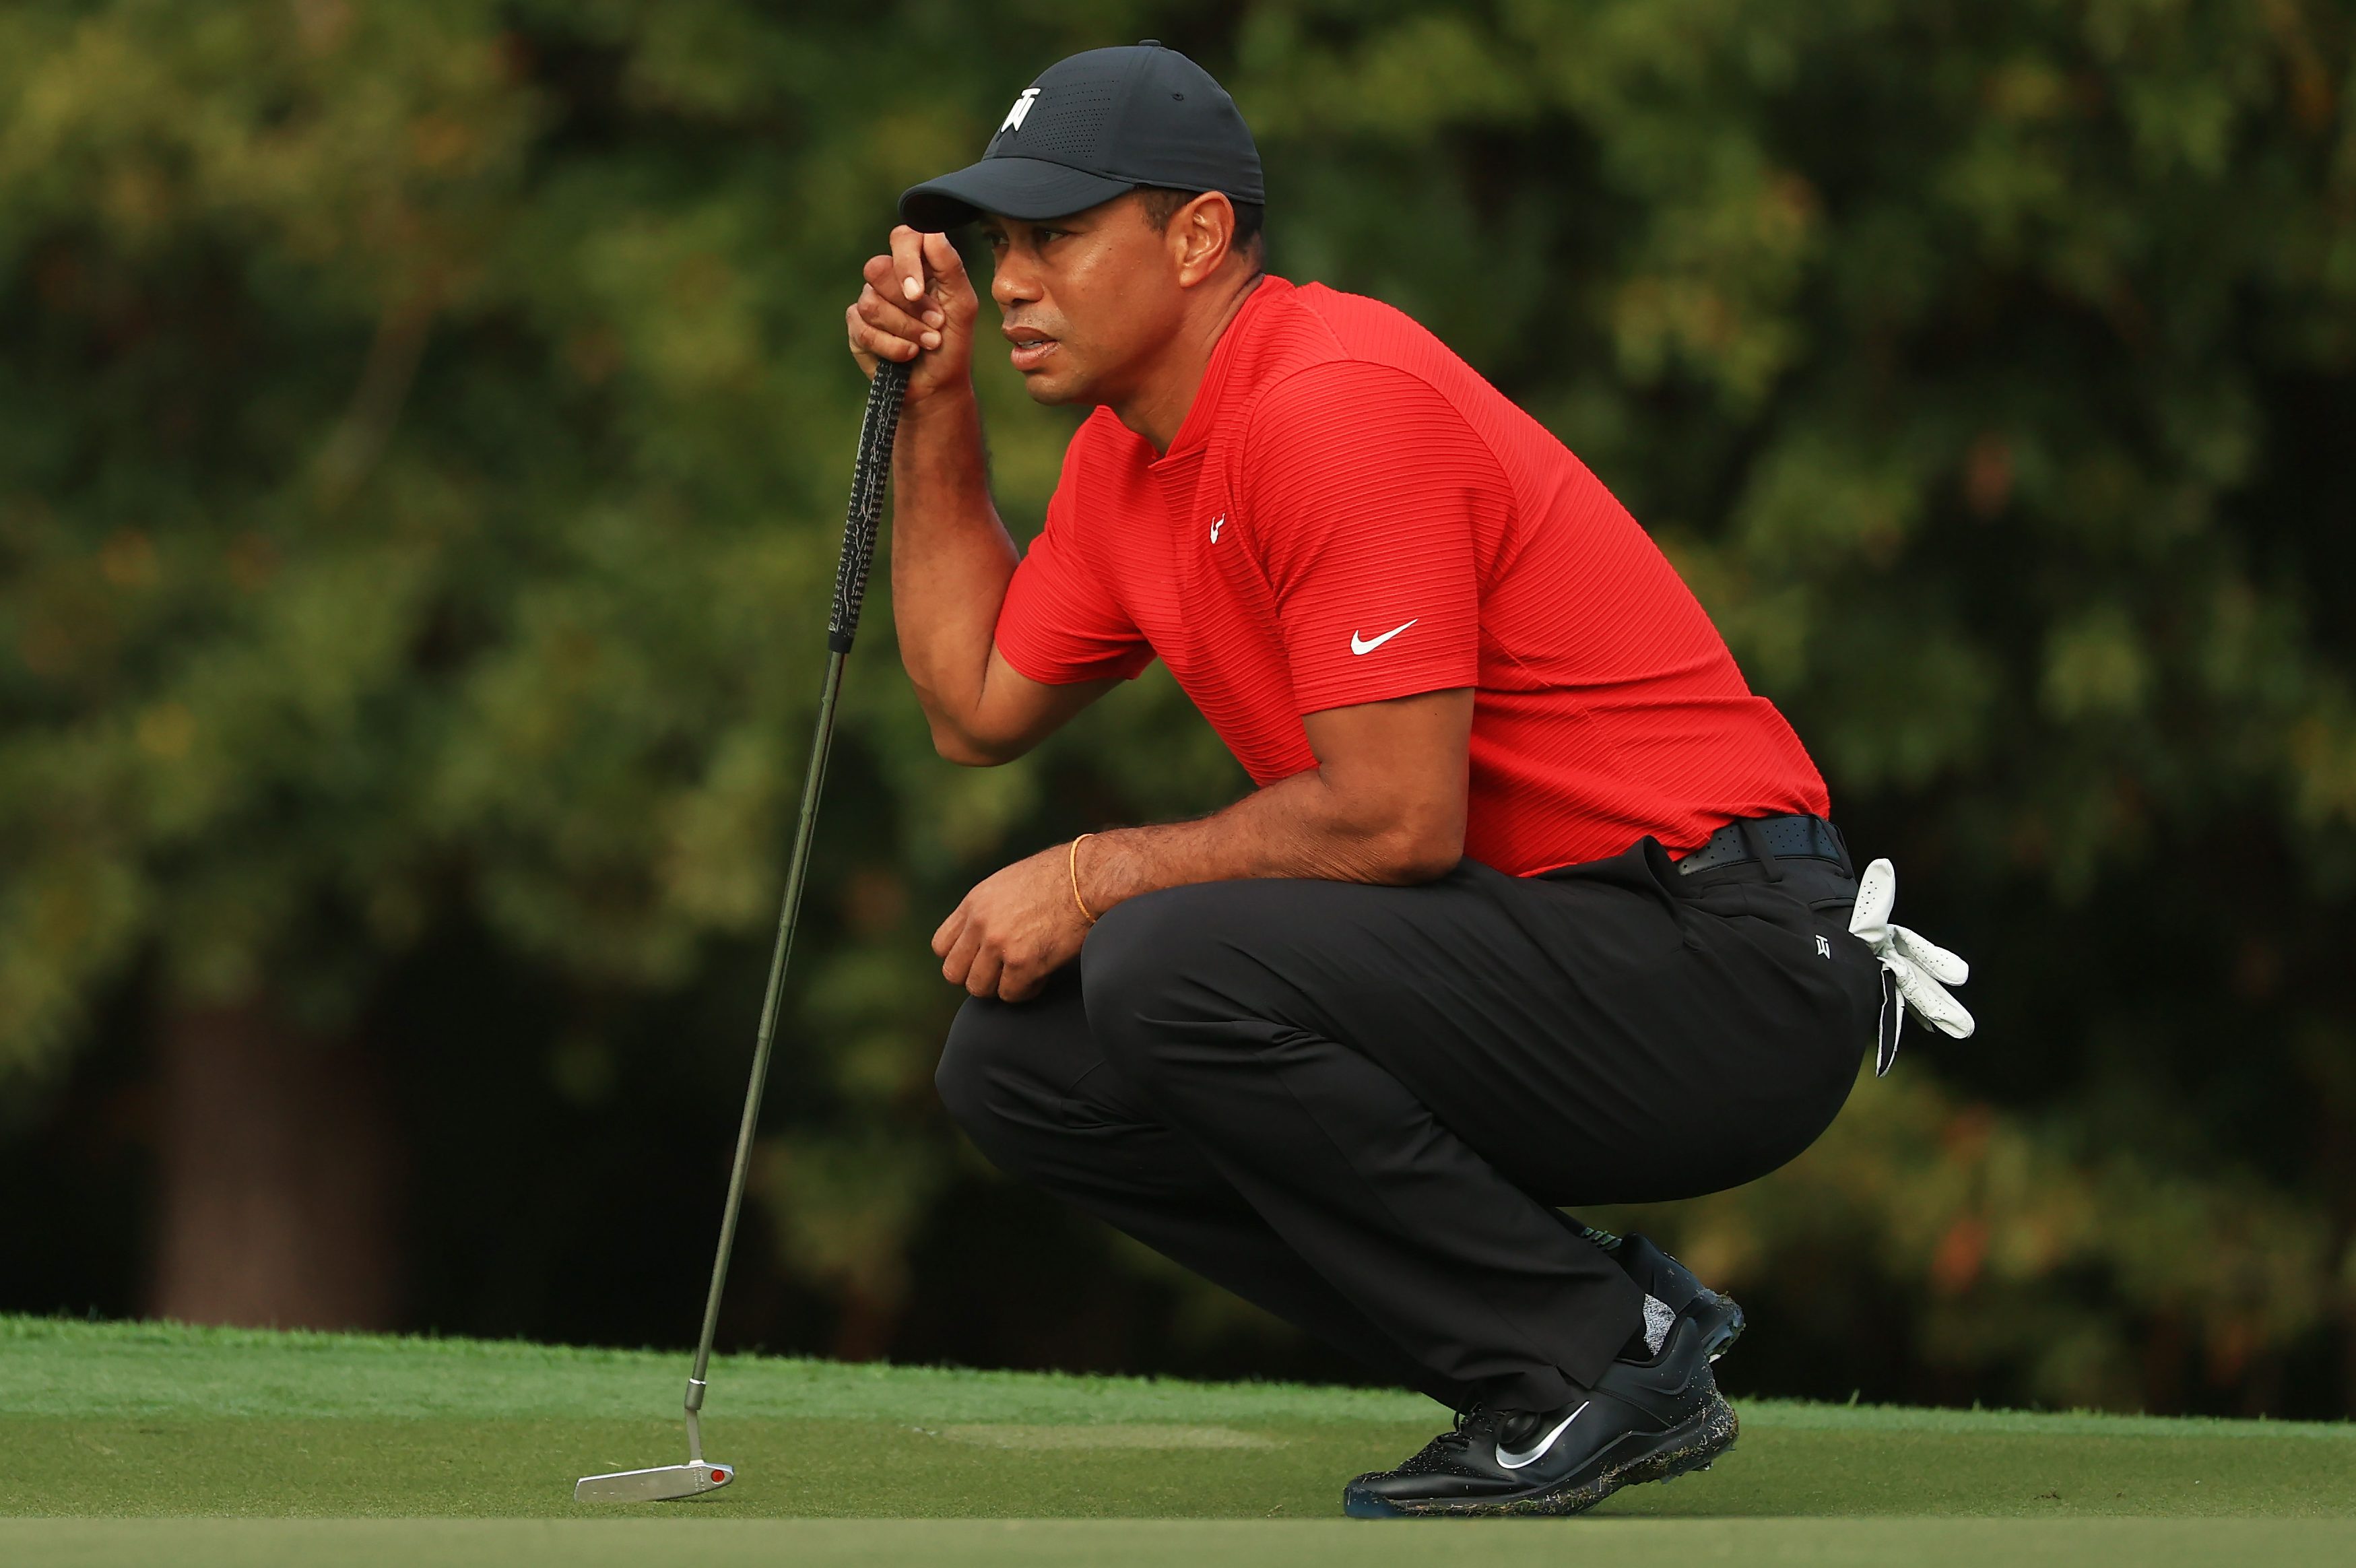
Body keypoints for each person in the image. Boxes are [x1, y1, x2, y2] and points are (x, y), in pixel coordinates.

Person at [845, 41, 1969, 1518]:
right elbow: (973, 700)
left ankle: (1585, 1361)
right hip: (1562, 947)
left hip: (1734, 964)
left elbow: (1393, 821)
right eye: (999, 245)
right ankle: (1566, 1349)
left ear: (1195, 239)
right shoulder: (1128, 467)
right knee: (1026, 1069)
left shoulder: (1329, 398)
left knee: (1164, 958)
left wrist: (1091, 871)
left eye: (1056, 236)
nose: (1009, 281)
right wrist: (937, 404)